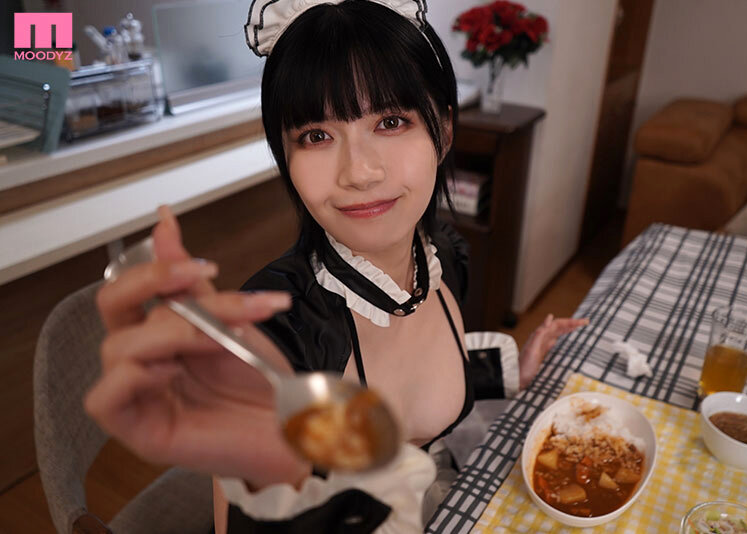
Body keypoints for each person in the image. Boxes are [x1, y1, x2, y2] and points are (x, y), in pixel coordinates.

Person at [84, 1, 588, 532]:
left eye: (390, 121)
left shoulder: (444, 255)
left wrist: (511, 370)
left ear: (442, 131)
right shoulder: (276, 337)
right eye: (316, 135)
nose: (359, 172)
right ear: (285, 154)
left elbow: (425, 382)